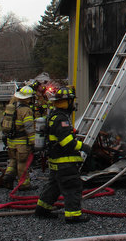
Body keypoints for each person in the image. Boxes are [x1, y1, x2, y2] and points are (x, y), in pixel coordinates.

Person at [34, 86, 91, 223]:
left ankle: (42, 209)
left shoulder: (53, 116)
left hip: (55, 161)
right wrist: (84, 147)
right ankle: (73, 215)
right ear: (67, 102)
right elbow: (67, 143)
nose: (73, 104)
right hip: (64, 161)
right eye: (71, 101)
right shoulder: (62, 119)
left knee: (54, 186)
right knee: (72, 186)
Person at [1, 85, 36, 190]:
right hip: (21, 142)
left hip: (10, 140)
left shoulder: (11, 107)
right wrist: (34, 142)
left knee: (13, 159)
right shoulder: (26, 110)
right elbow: (29, 128)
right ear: (28, 98)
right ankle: (24, 184)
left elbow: (2, 122)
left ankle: (8, 176)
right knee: (22, 162)